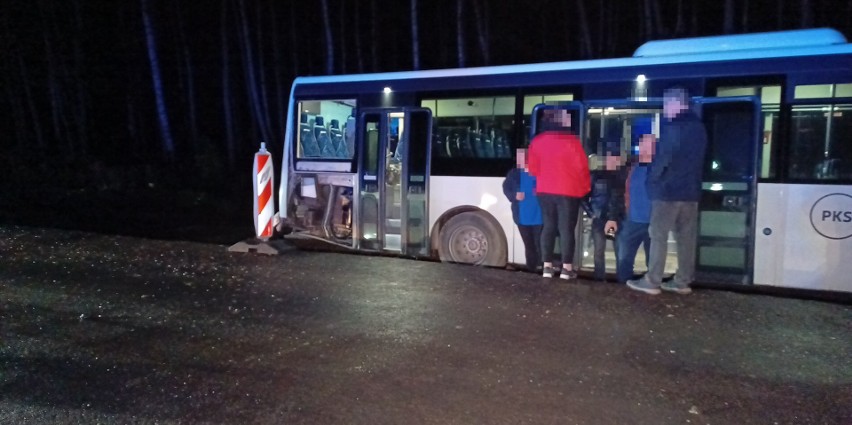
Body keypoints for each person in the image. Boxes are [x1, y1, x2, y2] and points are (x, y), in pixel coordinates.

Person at [626, 87, 708, 295]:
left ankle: (652, 281)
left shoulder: (674, 127)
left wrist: (652, 180)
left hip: (668, 192)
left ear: (675, 103)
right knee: (686, 238)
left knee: (658, 235)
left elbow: (663, 159)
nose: (665, 110)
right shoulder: (699, 128)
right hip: (690, 193)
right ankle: (682, 280)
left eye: (666, 105)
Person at [528, 109, 591, 280]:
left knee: (548, 227)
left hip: (544, 191)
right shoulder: (572, 141)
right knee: (566, 230)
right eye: (567, 118)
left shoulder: (537, 141)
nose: (570, 120)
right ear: (560, 121)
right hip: (568, 192)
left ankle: (547, 267)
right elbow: (582, 168)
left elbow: (532, 169)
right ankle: (566, 269)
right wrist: (585, 189)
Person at [605, 118, 654, 284]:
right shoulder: (630, 168)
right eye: (644, 144)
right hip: (631, 221)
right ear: (640, 146)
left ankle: (651, 292)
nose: (647, 148)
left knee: (653, 262)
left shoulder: (661, 168)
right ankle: (623, 291)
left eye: (651, 144)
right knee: (624, 261)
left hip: (655, 222)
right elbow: (617, 193)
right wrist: (612, 217)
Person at [583, 142, 626, 281]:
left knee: (620, 252)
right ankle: (600, 279)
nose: (612, 160)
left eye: (614, 157)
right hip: (601, 218)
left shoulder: (623, 176)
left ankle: (620, 279)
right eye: (610, 156)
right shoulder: (597, 175)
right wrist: (592, 214)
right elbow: (583, 197)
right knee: (599, 253)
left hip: (617, 218)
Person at [503, 148, 543, 272]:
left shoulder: (540, 172)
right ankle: (532, 270)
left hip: (539, 216)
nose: (520, 160)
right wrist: (514, 195)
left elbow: (549, 188)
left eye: (523, 157)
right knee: (529, 245)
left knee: (539, 244)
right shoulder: (514, 173)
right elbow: (506, 188)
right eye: (518, 157)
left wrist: (540, 192)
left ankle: (542, 267)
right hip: (522, 216)